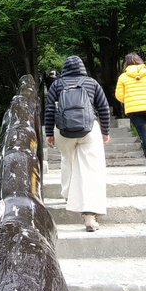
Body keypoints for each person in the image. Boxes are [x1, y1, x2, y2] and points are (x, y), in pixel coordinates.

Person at [44, 55, 111, 232]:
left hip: (64, 130)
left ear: (65, 68)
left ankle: (67, 194)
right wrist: (105, 131)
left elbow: (50, 109)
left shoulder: (57, 85)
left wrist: (49, 132)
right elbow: (103, 108)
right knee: (90, 169)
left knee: (67, 159)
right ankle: (89, 217)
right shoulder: (91, 83)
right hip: (89, 128)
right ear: (82, 67)